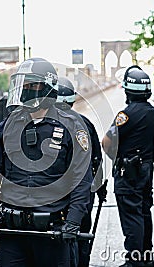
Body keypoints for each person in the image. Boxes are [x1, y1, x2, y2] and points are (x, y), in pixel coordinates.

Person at [0, 57, 93, 267]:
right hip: (12, 230)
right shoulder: (10, 124)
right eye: (23, 85)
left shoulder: (72, 126)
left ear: (47, 88)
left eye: (31, 85)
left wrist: (73, 222)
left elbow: (81, 180)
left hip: (53, 231)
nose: (25, 90)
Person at [102, 65, 154, 267]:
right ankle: (146, 257)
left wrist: (116, 158)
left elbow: (106, 142)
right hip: (146, 169)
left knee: (131, 215)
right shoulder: (153, 112)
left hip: (129, 171)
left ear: (128, 90)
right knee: (144, 212)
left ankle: (134, 261)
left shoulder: (125, 115)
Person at [56, 76, 105, 267]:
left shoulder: (44, 124)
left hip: (57, 195)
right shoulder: (85, 123)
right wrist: (99, 187)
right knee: (81, 232)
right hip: (83, 193)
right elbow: (97, 160)